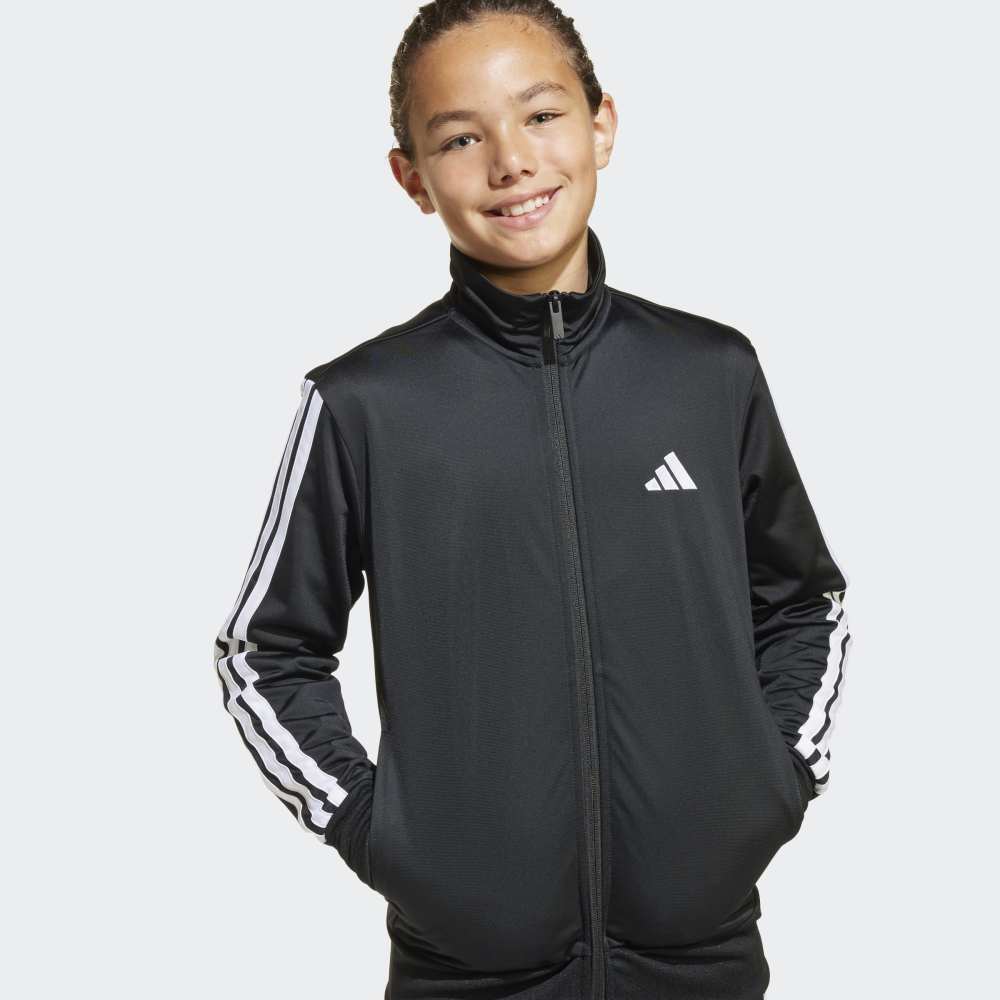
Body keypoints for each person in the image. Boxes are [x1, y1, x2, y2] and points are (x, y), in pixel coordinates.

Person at [212, 2, 853, 998]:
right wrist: (380, 833)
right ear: (412, 178)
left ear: (602, 125)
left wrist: (773, 782)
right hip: (469, 974)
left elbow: (805, 599)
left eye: (541, 116)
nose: (511, 161)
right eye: (460, 138)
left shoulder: (708, 373)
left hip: (703, 959)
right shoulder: (365, 403)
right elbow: (264, 648)